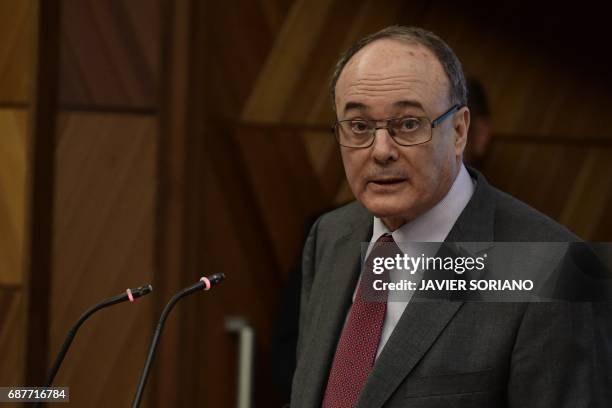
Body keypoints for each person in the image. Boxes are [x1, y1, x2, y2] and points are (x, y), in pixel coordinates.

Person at [290, 26, 610, 407]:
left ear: (459, 131)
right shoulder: (331, 235)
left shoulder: (555, 267)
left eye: (408, 124)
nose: (380, 151)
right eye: (359, 127)